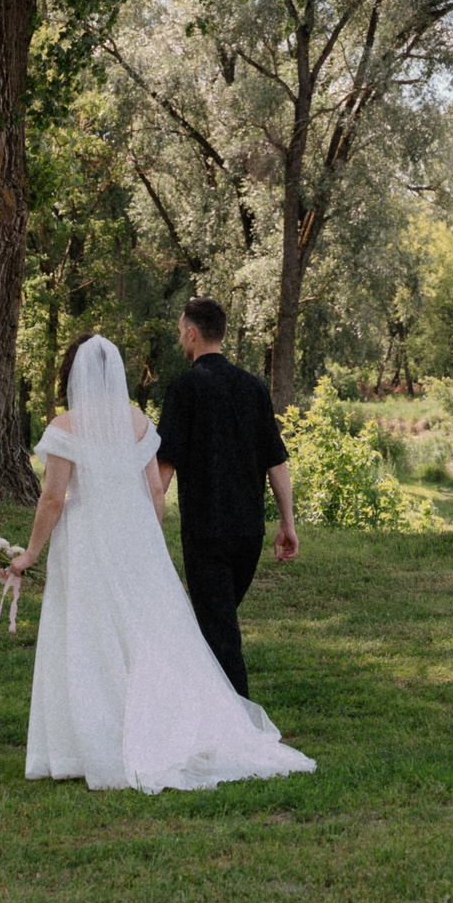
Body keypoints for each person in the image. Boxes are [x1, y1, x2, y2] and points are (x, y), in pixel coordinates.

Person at [6, 334, 313, 793]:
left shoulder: (66, 426)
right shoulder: (137, 422)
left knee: (91, 631)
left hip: (89, 537)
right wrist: (148, 539)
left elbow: (53, 498)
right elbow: (154, 488)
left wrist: (29, 553)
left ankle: (89, 741)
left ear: (72, 375)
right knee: (149, 632)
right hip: (135, 536)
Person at [154, 297, 297, 698]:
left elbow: (164, 469)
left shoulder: (185, 389)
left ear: (192, 333)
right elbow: (277, 464)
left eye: (182, 330)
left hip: (206, 533)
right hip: (249, 533)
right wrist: (287, 524)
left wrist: (145, 522)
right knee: (215, 625)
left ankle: (241, 728)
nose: (181, 337)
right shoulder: (253, 387)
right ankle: (195, 707)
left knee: (219, 633)